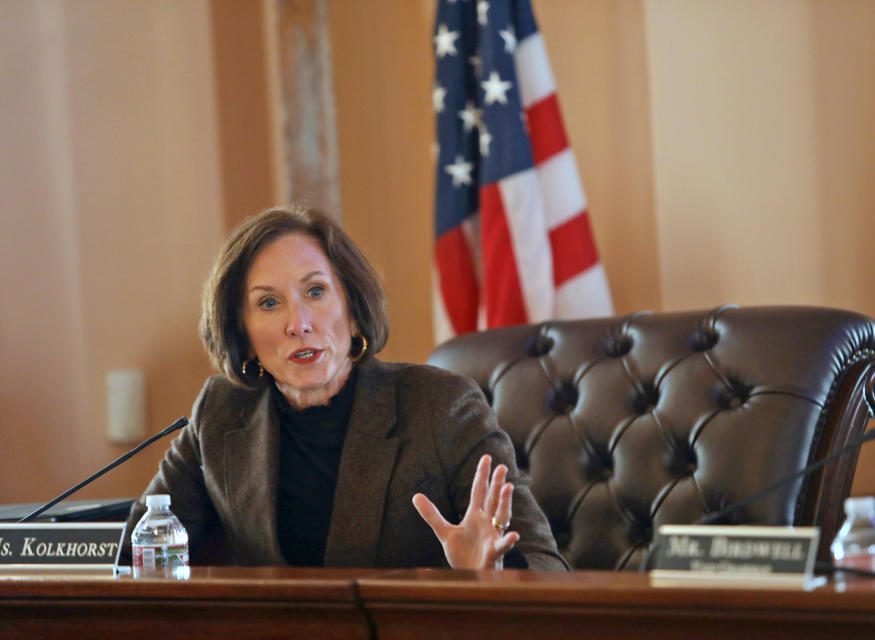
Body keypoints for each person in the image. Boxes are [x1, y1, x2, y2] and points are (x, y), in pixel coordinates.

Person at [122, 206, 567, 570]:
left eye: (315, 292)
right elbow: (135, 554)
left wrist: (490, 574)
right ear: (242, 336)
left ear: (352, 310)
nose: (298, 323)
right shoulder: (221, 412)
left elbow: (548, 568)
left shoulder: (441, 407)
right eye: (269, 303)